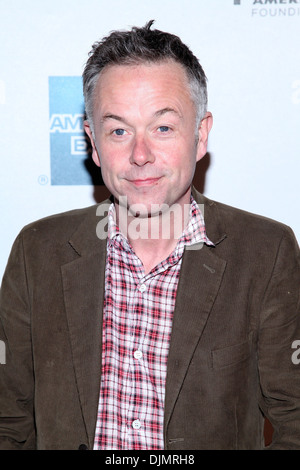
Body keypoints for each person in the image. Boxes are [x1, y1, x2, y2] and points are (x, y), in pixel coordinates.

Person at [0, 20, 299, 451]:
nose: (140, 155)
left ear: (200, 135)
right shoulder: (37, 253)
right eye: (119, 131)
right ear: (93, 142)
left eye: (162, 128)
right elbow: (8, 423)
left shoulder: (266, 254)